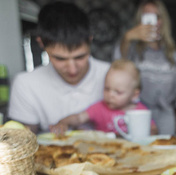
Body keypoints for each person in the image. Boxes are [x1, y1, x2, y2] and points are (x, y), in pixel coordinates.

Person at [113, 0, 176, 135]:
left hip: (166, 119)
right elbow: (116, 71)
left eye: (157, 16)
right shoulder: (131, 49)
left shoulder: (174, 55)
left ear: (163, 21)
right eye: (147, 16)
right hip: (137, 115)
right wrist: (127, 38)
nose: (153, 22)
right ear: (140, 20)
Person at [8, 1, 110, 134]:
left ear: (90, 40)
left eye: (80, 57)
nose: (72, 69)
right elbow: (24, 140)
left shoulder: (112, 75)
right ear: (41, 43)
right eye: (60, 59)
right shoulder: (26, 84)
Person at [50, 59, 157, 135]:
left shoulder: (140, 111)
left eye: (118, 92)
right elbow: (78, 118)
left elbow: (153, 130)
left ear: (134, 95)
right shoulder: (99, 108)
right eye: (107, 89)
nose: (110, 95)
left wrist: (151, 132)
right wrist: (63, 122)